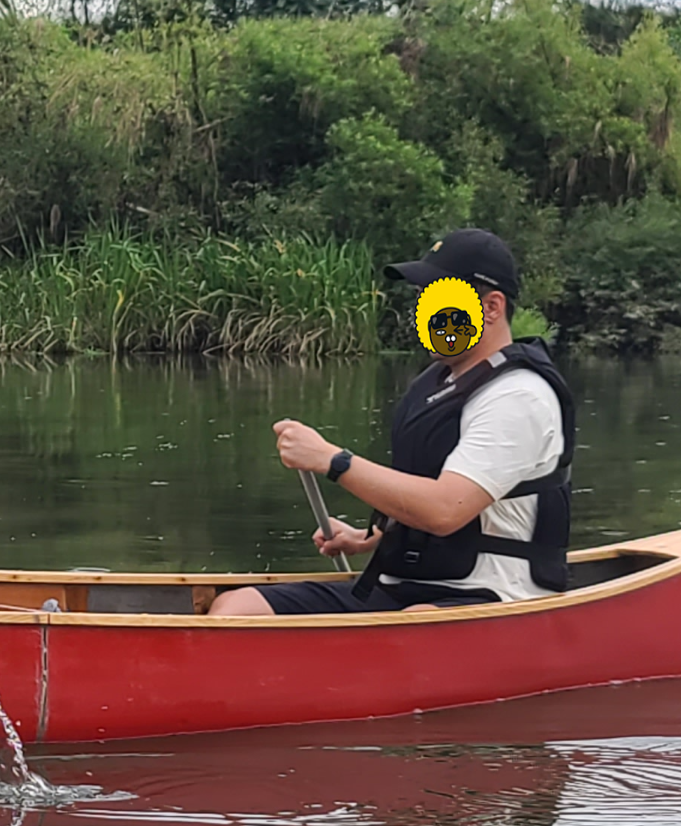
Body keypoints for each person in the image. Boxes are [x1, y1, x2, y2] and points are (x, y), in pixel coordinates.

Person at [210, 228, 575, 618]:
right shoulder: (440, 383)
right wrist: (372, 537)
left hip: (491, 594)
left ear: (492, 307)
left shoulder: (518, 397)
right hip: (402, 585)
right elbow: (424, 479)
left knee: (412, 626)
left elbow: (445, 509)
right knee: (236, 607)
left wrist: (335, 461)